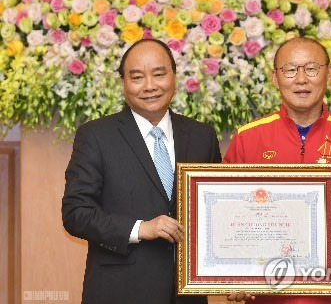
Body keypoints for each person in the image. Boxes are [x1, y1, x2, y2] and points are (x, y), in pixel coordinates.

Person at [224, 37, 331, 304]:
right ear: (275, 78)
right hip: (268, 293)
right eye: (290, 70)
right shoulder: (248, 138)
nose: (301, 79)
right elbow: (228, 214)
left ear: (329, 74)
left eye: (312, 68)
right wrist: (234, 273)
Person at [62, 39, 221, 304]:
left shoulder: (202, 135)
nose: (150, 86)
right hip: (119, 292)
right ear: (122, 82)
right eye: (137, 77)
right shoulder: (96, 136)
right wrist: (140, 228)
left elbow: (215, 213)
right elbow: (76, 213)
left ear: (174, 76)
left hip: (187, 295)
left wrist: (239, 272)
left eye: (159, 74)